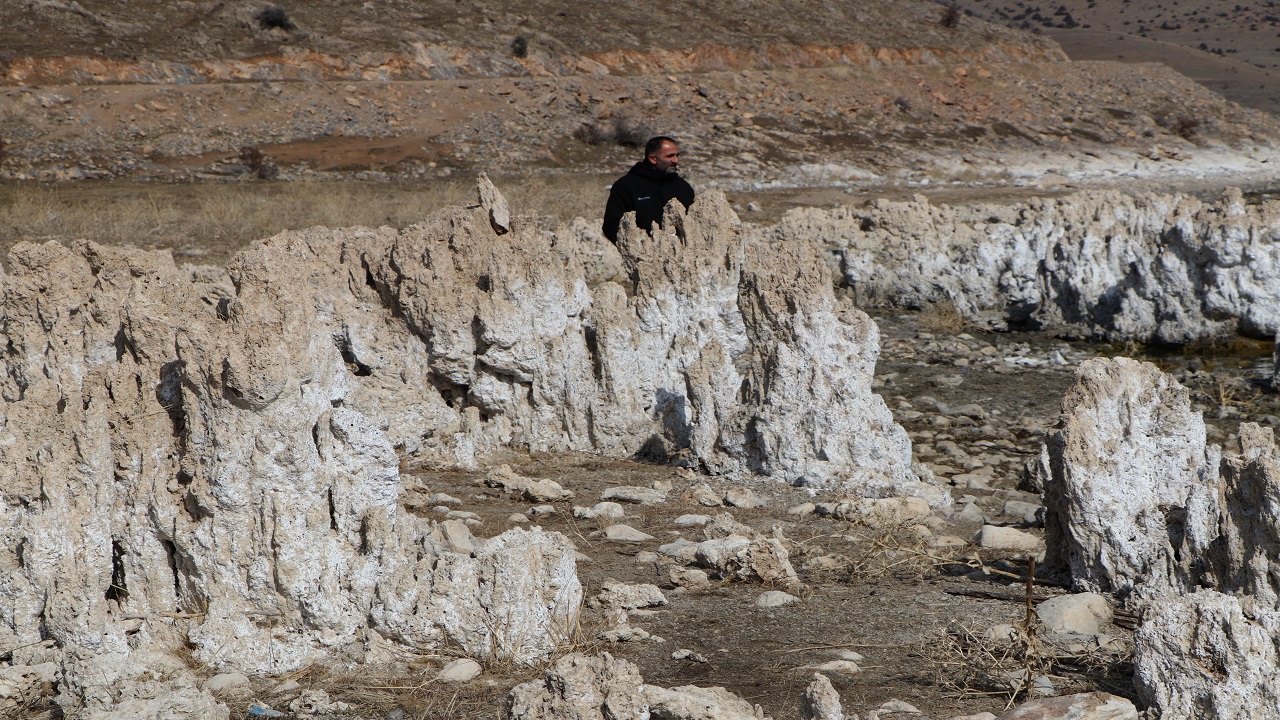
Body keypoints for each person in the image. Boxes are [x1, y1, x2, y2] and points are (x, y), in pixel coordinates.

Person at [601, 136, 695, 244]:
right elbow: (611, 225)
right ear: (652, 159)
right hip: (643, 255)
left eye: (677, 155)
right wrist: (636, 249)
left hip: (680, 256)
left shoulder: (683, 187)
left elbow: (693, 223)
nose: (676, 160)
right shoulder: (626, 185)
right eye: (670, 156)